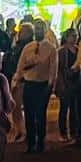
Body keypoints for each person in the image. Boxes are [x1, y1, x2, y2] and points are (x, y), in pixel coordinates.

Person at [11, 21, 56, 155]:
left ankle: (40, 142)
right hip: (29, 84)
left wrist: (51, 85)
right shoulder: (28, 47)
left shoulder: (51, 48)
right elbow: (20, 66)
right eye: (36, 29)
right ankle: (31, 143)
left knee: (40, 114)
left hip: (42, 85)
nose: (38, 31)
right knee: (29, 114)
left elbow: (53, 68)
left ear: (45, 30)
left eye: (40, 29)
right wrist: (16, 81)